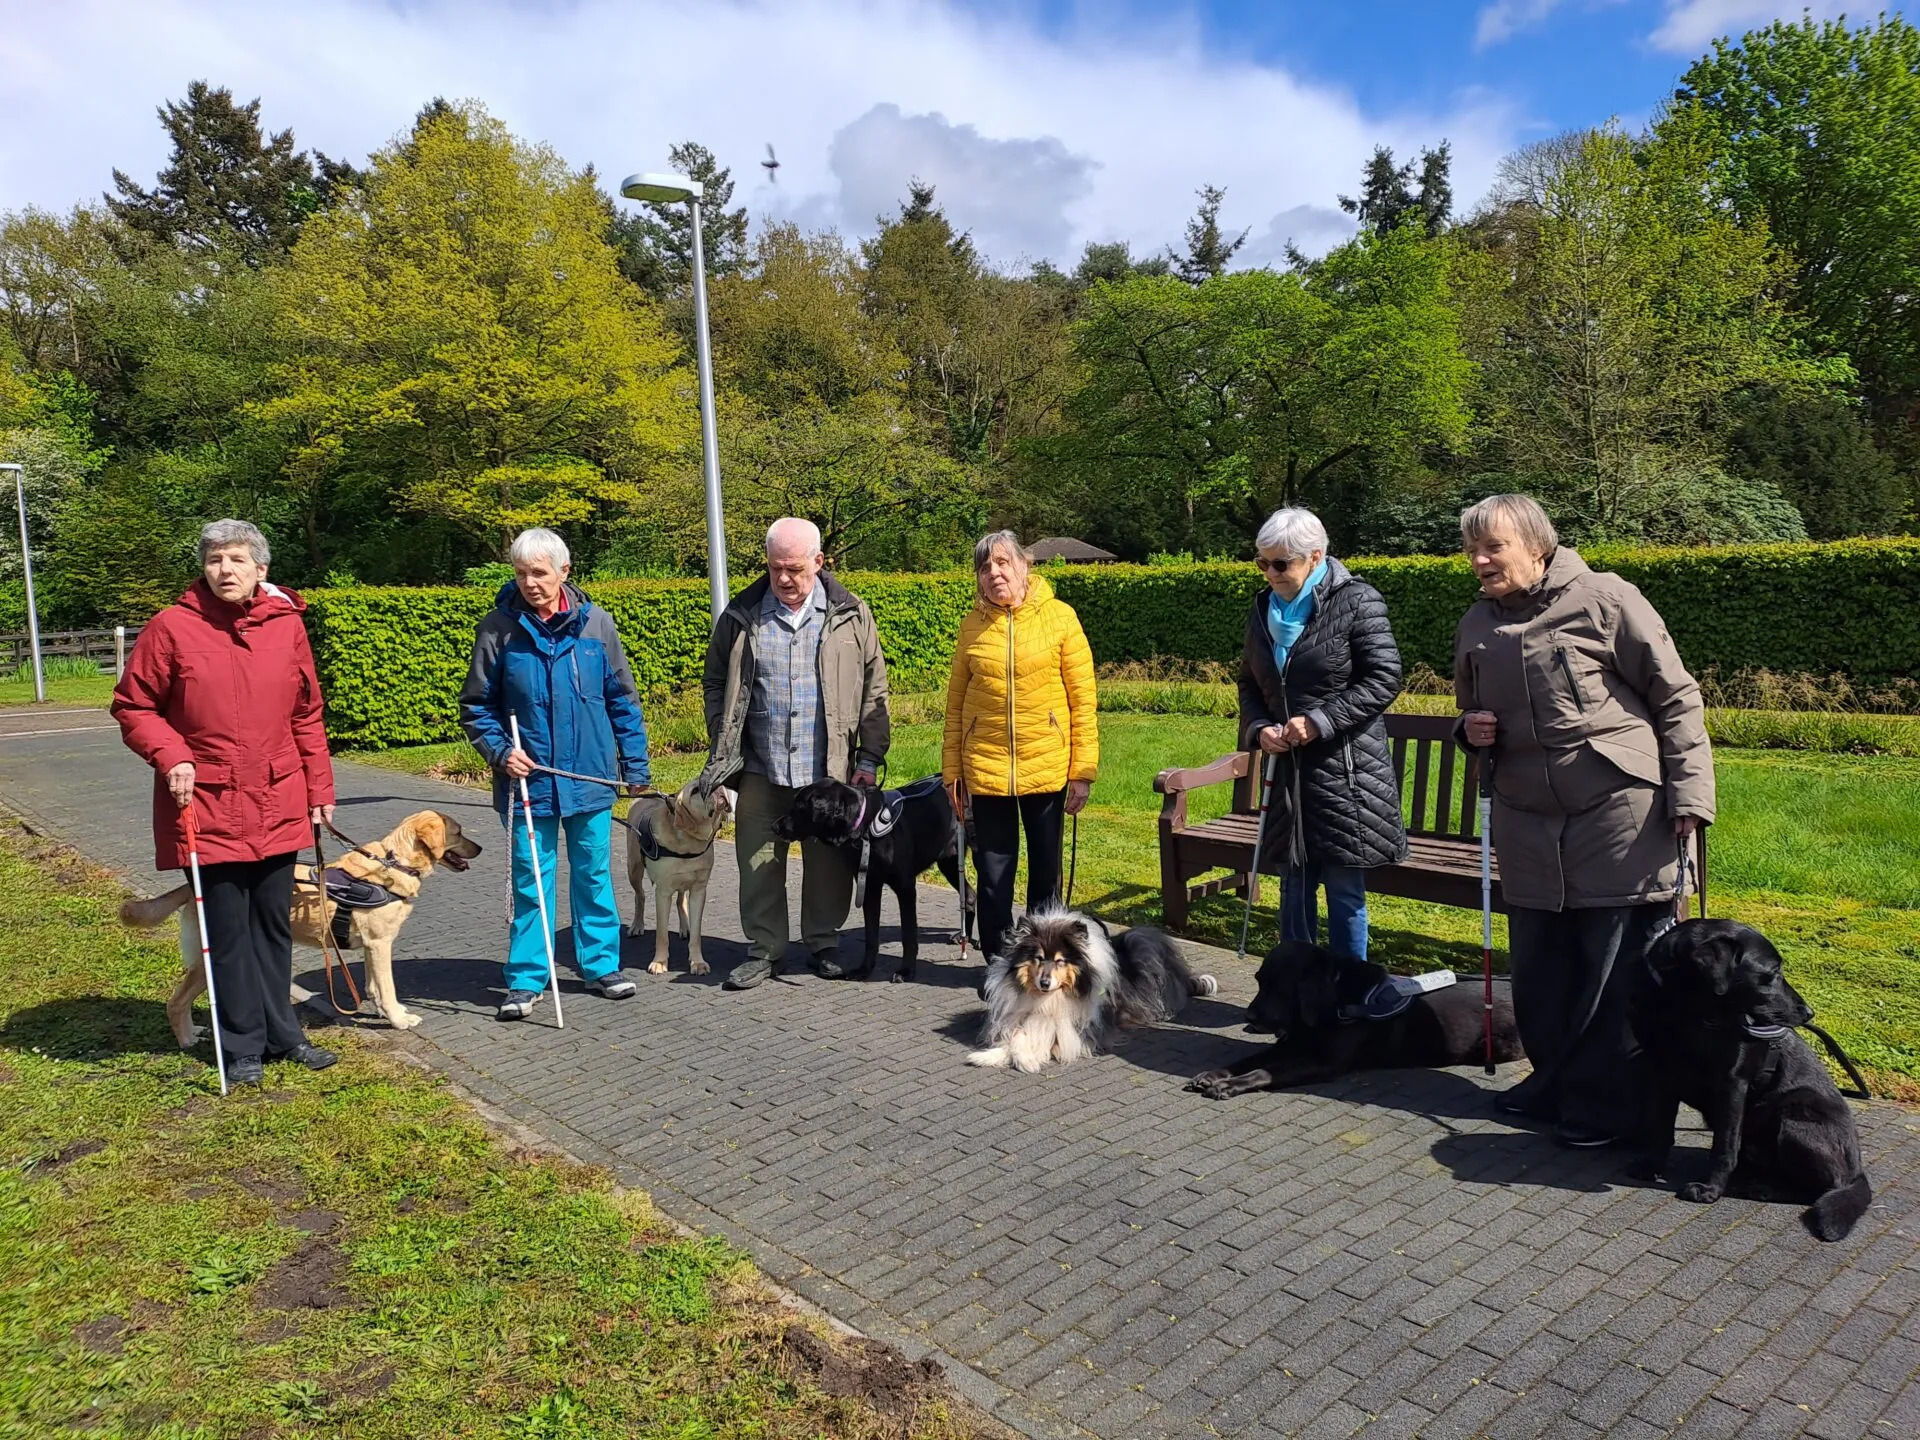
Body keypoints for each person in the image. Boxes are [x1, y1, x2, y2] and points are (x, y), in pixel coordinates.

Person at [1454, 493, 1714, 1148]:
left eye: (1493, 547)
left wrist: (1690, 796)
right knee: (1542, 973)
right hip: (1526, 818)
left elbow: (1676, 695)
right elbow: (1469, 709)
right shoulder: (1475, 625)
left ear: (1537, 546)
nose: (1479, 560)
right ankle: (1557, 1083)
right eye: (1472, 550)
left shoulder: (1605, 598)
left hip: (1617, 812)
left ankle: (1607, 1107)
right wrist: (1469, 729)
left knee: (1616, 968)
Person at [112, 519, 339, 1086]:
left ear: (261, 569)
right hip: (208, 806)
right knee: (228, 931)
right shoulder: (171, 628)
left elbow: (306, 715)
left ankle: (284, 1035)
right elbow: (133, 707)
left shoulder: (287, 626)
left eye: (236, 559)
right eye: (215, 559)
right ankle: (240, 1046)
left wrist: (319, 789)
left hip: (279, 797)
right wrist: (173, 755)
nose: (225, 570)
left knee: (274, 926)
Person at [459, 527, 651, 1020]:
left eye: (539, 573)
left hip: (589, 778)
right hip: (527, 781)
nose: (530, 583)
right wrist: (501, 753)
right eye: (521, 573)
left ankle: (602, 966)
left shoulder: (597, 626)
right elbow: (477, 707)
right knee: (531, 882)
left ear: (565, 572)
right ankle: (525, 979)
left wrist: (636, 767)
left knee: (593, 874)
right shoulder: (498, 629)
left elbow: (622, 701)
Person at [704, 518, 890, 990]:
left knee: (828, 864)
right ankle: (764, 949)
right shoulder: (741, 614)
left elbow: (875, 690)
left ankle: (823, 943)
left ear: (819, 563)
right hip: (761, 769)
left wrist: (867, 759)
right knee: (759, 864)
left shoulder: (851, 613)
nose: (785, 578)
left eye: (795, 569)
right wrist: (725, 744)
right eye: (775, 568)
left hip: (827, 770)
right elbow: (715, 683)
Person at [1237, 507, 1407, 959]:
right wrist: (1258, 729)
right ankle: (1295, 996)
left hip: (1344, 772)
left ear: (1314, 557)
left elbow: (1384, 677)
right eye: (1262, 563)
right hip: (1287, 771)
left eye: (1281, 563)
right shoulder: (1261, 608)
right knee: (1293, 884)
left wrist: (1319, 721)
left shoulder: (1358, 601)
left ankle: (1353, 995)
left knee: (1343, 888)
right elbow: (1249, 683)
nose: (1270, 574)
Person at [943, 530, 1099, 963]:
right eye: (984, 567)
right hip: (987, 768)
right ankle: (999, 967)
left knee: (1045, 874)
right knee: (993, 875)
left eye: (1002, 562)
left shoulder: (1061, 618)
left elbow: (1082, 698)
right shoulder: (972, 625)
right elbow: (956, 703)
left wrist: (1082, 771)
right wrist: (953, 773)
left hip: (1047, 767)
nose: (994, 573)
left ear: (1024, 565)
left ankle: (1044, 960)